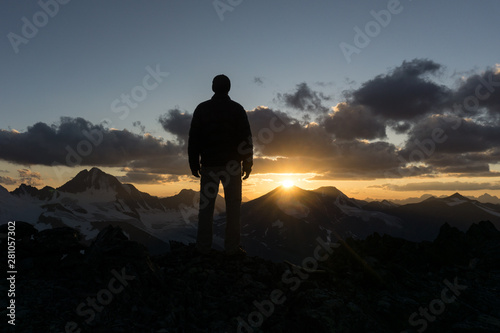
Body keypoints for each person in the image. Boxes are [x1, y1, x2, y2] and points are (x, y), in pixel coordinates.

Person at [188, 74, 253, 255]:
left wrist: (194, 163)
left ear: (213, 88)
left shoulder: (202, 109)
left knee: (206, 208)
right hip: (232, 167)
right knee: (233, 208)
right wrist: (247, 163)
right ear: (229, 88)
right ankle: (232, 249)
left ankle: (203, 248)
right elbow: (246, 138)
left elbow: (194, 139)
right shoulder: (237, 109)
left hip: (209, 165)